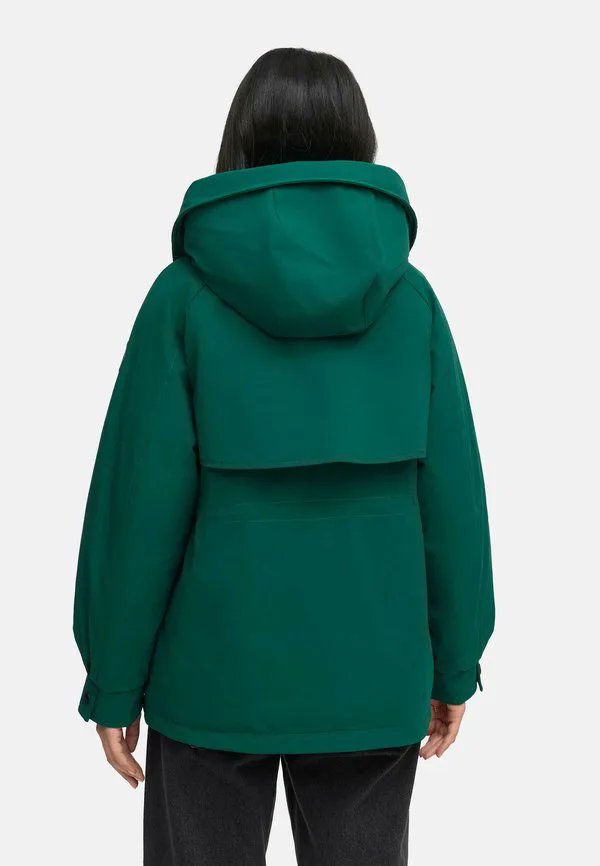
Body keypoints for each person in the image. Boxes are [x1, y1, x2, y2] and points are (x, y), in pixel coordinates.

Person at [73, 47, 495, 866]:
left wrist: (113, 679)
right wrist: (456, 663)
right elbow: (452, 502)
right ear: (359, 140)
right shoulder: (410, 303)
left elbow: (136, 509)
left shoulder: (183, 299)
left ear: (238, 140)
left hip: (211, 679)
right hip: (371, 676)